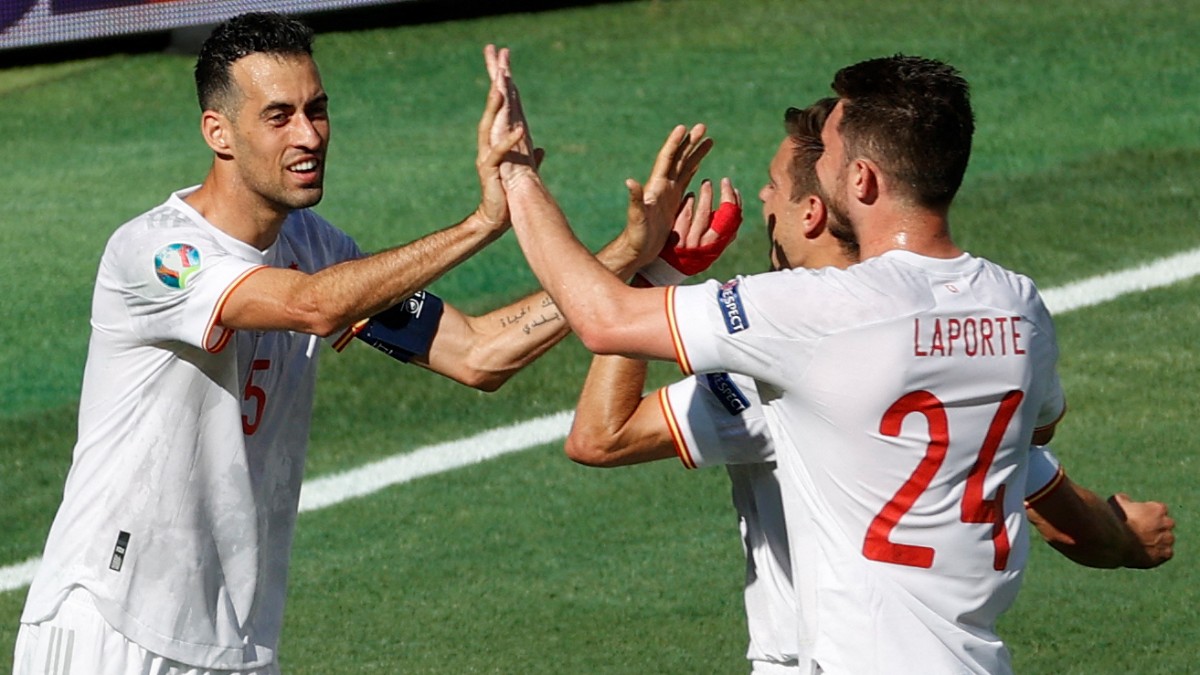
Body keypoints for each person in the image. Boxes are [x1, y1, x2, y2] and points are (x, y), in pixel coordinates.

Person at [11, 14, 707, 675]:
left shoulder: (315, 247)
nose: (309, 135)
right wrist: (485, 221)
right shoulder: (156, 252)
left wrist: (627, 256)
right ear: (218, 132)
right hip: (112, 622)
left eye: (317, 110)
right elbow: (313, 306)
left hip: (234, 638)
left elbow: (478, 354)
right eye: (278, 116)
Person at [485, 48, 1124, 673]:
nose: (771, 196)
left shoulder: (811, 319)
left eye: (831, 162)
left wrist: (517, 173)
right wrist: (1117, 534)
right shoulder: (1016, 304)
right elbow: (1031, 443)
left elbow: (602, 333)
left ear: (860, 182)